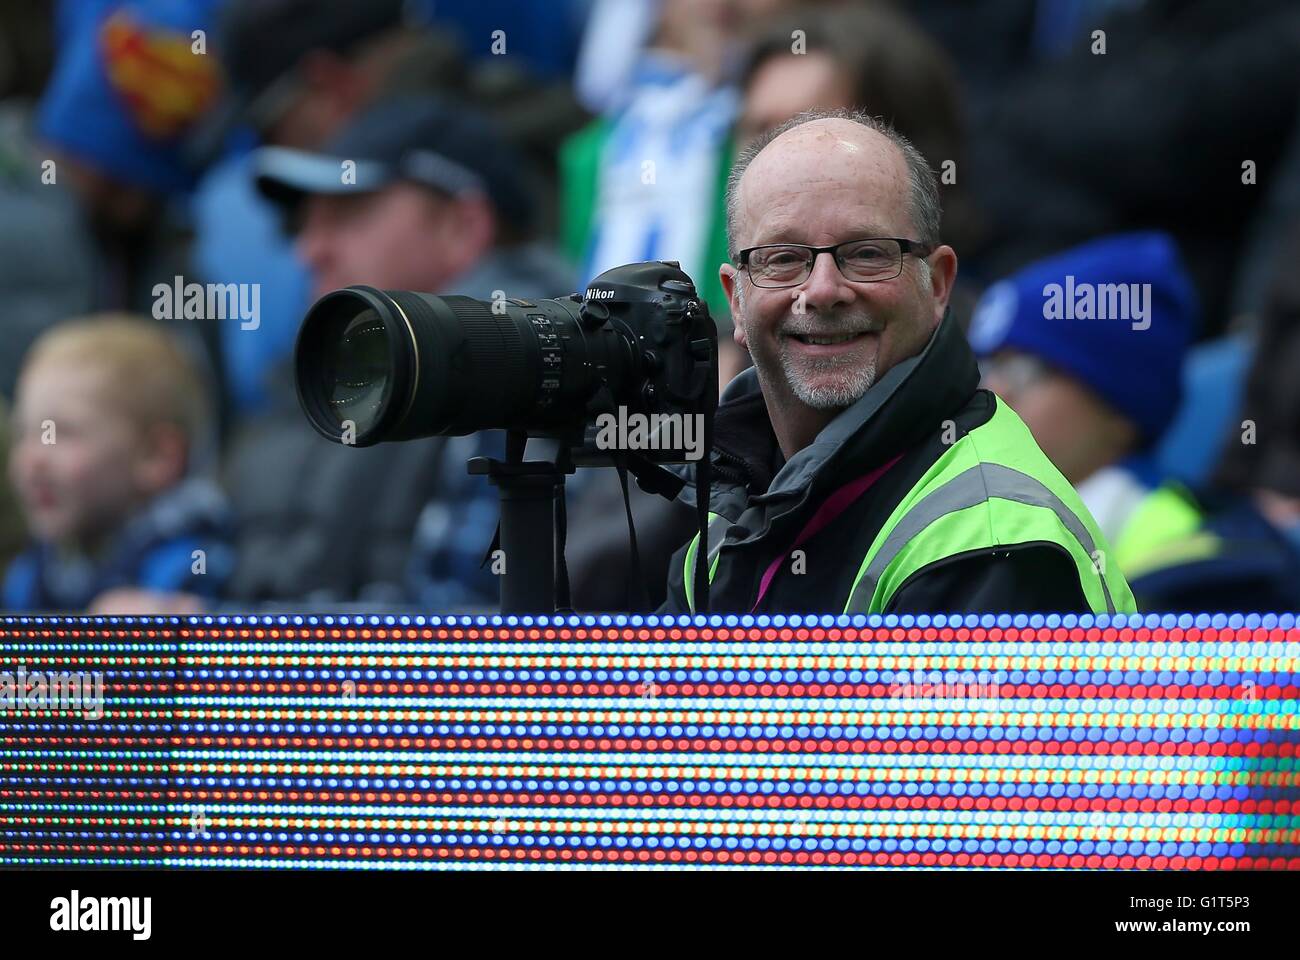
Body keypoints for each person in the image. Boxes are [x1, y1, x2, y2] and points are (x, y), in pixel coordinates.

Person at [660, 108, 1137, 615]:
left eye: (866, 253)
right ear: (735, 300)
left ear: (938, 284)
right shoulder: (729, 513)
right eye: (783, 258)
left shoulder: (992, 540)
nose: (822, 290)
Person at [212, 95, 574, 609]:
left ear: (462, 228)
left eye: (349, 215)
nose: (309, 250)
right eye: (306, 224)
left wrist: (227, 645)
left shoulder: (530, 370)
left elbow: (460, 640)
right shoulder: (313, 363)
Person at [969, 231, 1202, 582]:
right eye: (989, 368)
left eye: (1026, 371)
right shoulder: (975, 513)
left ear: (1119, 410)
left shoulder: (1184, 557)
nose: (995, 391)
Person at [3, 316, 233, 613]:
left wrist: (172, 625)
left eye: (63, 432)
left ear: (155, 457)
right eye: (24, 433)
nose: (33, 460)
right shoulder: (35, 570)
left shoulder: (194, 561)